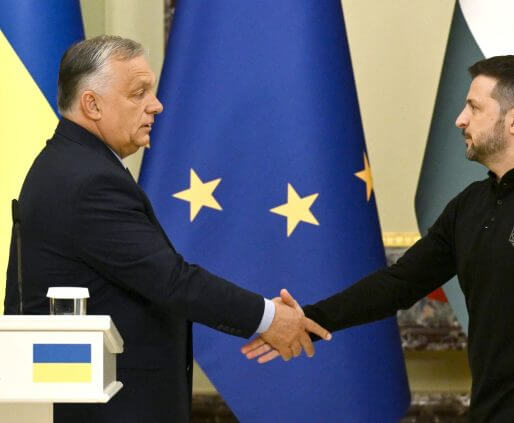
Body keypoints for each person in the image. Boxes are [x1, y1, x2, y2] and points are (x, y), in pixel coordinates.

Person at [242, 55, 514, 422]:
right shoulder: (470, 205)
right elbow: (399, 283)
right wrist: (308, 319)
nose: (460, 119)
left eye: (474, 108)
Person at [4, 35, 330, 423]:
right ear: (92, 104)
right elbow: (171, 281)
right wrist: (269, 318)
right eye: (138, 93)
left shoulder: (73, 164)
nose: (156, 105)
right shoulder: (88, 181)